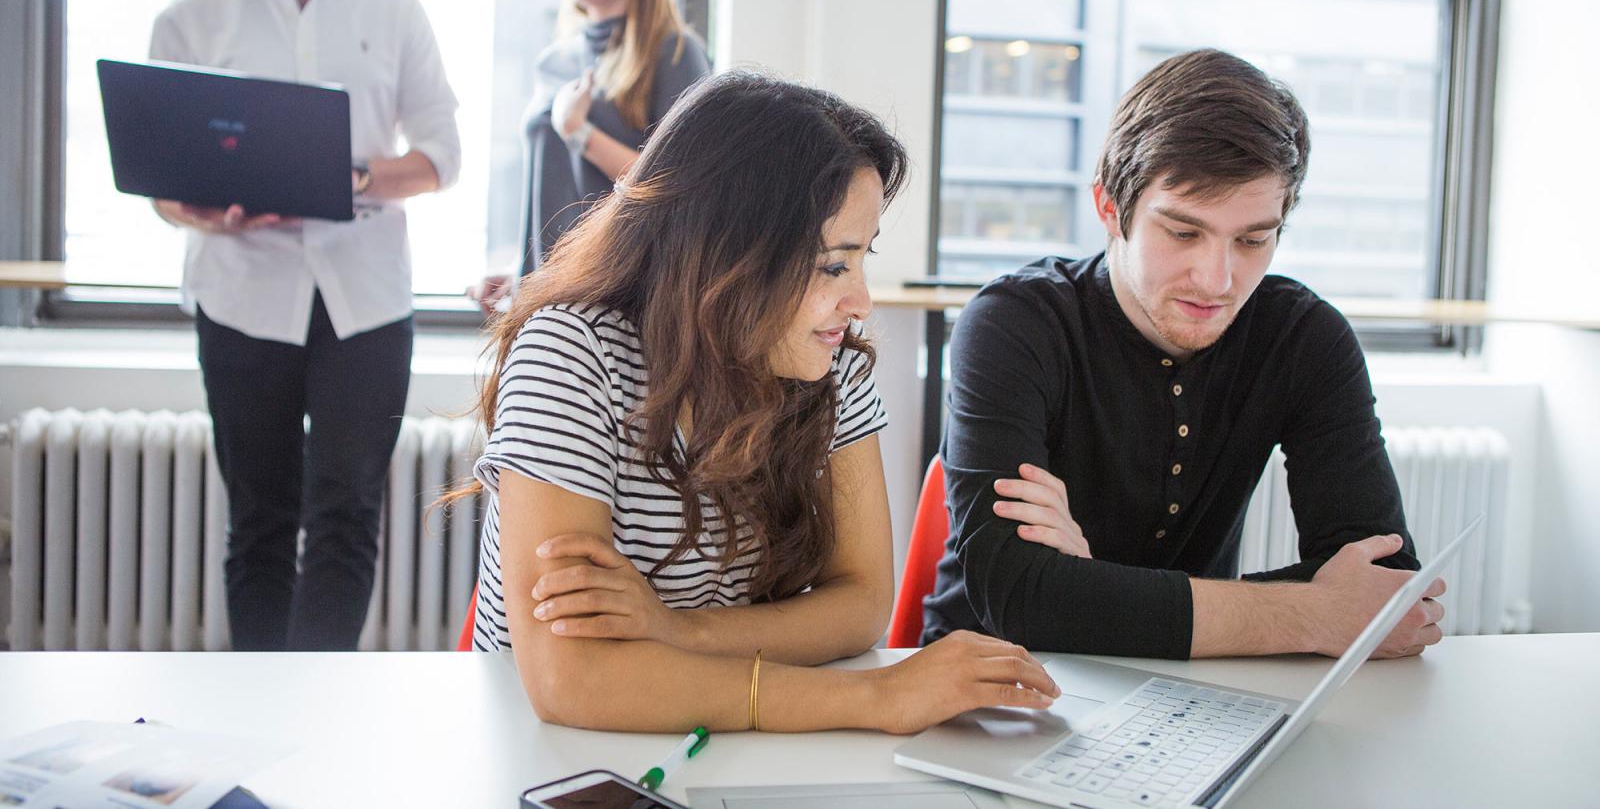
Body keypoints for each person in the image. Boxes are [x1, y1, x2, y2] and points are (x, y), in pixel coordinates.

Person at [459, 71, 1060, 733]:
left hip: (713, 739)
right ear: (727, 255)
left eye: (862, 260)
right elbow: (571, 679)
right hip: (541, 749)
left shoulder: (831, 361)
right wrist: (876, 698)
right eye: (833, 265)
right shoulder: (573, 352)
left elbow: (861, 602)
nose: (859, 300)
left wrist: (677, 631)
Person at [923, 49, 1448, 661]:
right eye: (1183, 232)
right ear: (1110, 208)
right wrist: (1311, 612)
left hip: (1188, 686)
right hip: (994, 677)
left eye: (1253, 239)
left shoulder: (1304, 336)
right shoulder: (1015, 324)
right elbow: (1020, 598)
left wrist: (1088, 594)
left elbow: (1383, 585)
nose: (1218, 280)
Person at [148, 0, 460, 650]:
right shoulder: (189, 19)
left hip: (367, 301)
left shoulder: (394, 10)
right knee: (257, 517)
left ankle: (319, 710)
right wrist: (208, 214)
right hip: (240, 297)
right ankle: (260, 716)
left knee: (347, 513)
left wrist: (341, 174)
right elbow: (161, 185)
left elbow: (441, 157)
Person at [467, 0, 710, 313]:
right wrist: (525, 273)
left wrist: (578, 131)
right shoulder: (554, 60)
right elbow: (562, 195)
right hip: (550, 307)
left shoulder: (674, 54)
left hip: (625, 309)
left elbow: (683, 193)